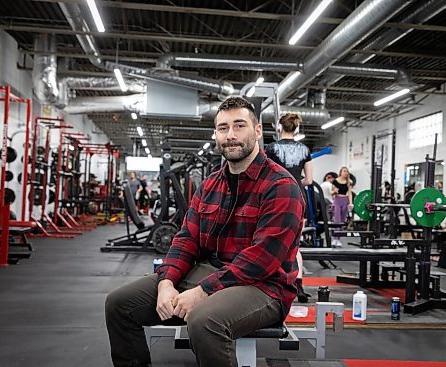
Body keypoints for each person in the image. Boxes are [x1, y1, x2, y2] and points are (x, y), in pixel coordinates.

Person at [105, 96, 305, 367]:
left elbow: (261, 260)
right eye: (223, 128)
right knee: (120, 304)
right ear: (216, 134)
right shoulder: (211, 184)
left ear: (257, 131)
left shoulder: (281, 185)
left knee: (204, 322)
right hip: (211, 274)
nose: (230, 135)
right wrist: (166, 282)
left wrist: (202, 292)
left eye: (239, 126)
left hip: (265, 287)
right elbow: (186, 239)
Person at [265, 112, 313, 303]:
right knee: (295, 245)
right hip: (298, 198)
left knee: (272, 243)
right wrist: (295, 182)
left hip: (276, 198)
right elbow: (309, 180)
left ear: (279, 127)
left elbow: (266, 175)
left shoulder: (271, 148)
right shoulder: (305, 150)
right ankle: (298, 286)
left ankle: (272, 285)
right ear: (297, 128)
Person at [331, 166, 353, 247]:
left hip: (345, 200)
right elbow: (331, 192)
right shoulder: (335, 181)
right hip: (337, 200)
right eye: (344, 171)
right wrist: (334, 192)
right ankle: (334, 239)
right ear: (340, 172)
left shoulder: (349, 182)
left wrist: (351, 203)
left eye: (347, 171)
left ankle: (338, 239)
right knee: (336, 220)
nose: (346, 173)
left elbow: (350, 193)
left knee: (342, 221)